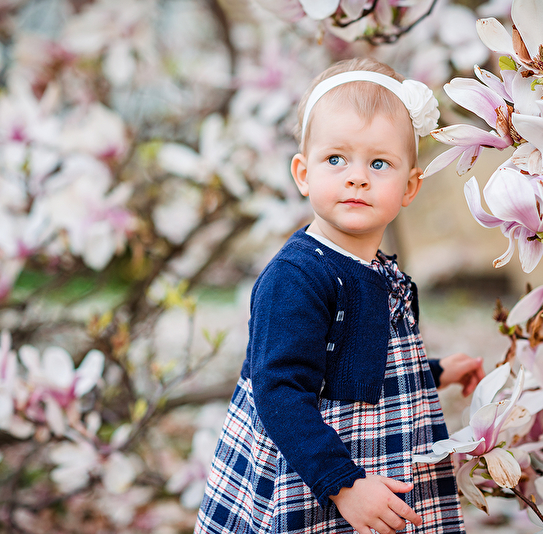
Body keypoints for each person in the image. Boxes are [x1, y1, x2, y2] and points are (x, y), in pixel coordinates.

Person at [195, 58, 485, 534]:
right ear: (303, 173)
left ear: (409, 185)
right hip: (317, 476)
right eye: (336, 159)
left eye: (378, 163)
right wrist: (345, 485)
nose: (357, 177)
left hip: (374, 461)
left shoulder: (379, 270)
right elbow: (281, 391)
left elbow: (357, 371)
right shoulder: (298, 276)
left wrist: (432, 373)